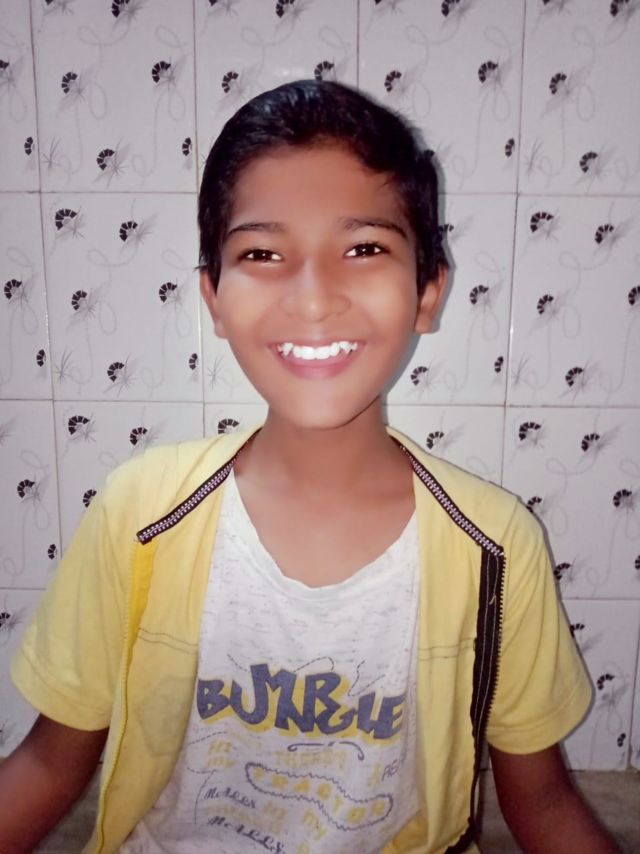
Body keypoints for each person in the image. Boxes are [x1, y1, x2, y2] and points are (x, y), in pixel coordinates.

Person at [0, 80, 619, 854]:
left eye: (364, 250)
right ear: (214, 298)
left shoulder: (495, 542)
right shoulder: (140, 512)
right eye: (262, 254)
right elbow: (49, 762)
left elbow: (546, 801)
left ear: (428, 291)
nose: (315, 298)